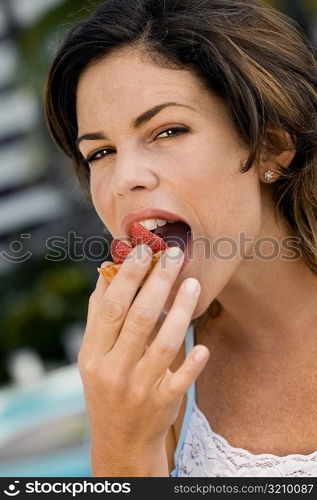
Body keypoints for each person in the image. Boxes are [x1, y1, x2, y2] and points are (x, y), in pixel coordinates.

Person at [44, 0, 317, 477]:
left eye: (168, 130)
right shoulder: (155, 371)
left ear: (270, 145)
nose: (124, 177)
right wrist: (121, 441)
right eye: (101, 152)